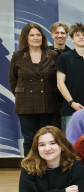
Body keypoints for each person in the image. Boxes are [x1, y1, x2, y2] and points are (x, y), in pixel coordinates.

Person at [9, 23, 59, 155]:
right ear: (26, 38)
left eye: (38, 35)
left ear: (42, 37)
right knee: (29, 140)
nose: (36, 38)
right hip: (25, 104)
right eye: (32, 35)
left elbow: (57, 80)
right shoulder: (18, 55)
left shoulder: (52, 54)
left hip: (47, 103)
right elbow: (13, 81)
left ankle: (46, 165)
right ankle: (29, 167)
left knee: (46, 139)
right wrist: (21, 96)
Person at [55, 22, 84, 131]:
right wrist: (72, 103)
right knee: (71, 140)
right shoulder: (64, 57)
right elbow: (60, 83)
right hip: (70, 109)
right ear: (72, 39)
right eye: (77, 35)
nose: (81, 37)